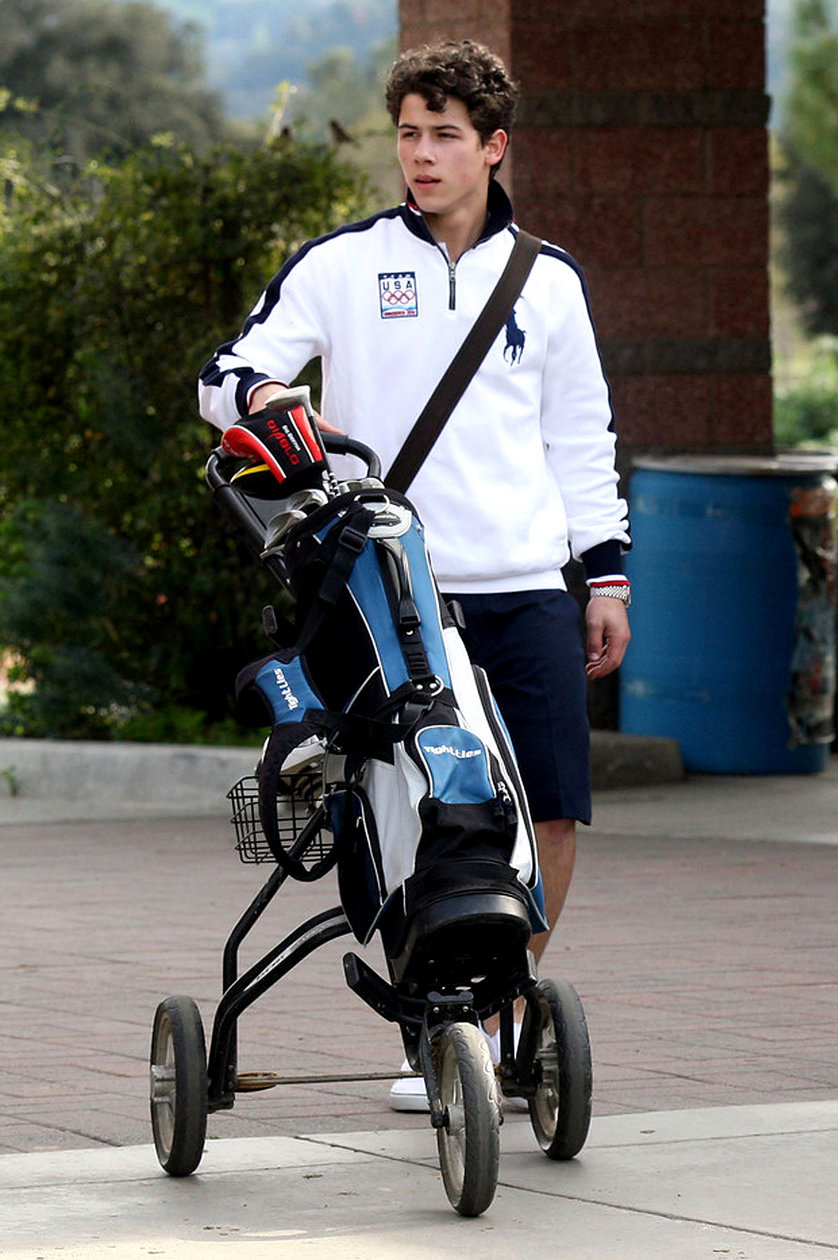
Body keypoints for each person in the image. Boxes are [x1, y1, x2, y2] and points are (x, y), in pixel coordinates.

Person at [196, 40, 630, 1111]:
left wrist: (606, 575)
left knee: (552, 812)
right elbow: (227, 372)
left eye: (445, 135)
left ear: (494, 146)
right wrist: (269, 407)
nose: (423, 156)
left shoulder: (551, 283)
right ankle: (424, 1024)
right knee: (391, 803)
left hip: (526, 581)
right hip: (386, 582)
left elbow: (581, 437)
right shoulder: (341, 267)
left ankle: (491, 1010)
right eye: (409, 134)